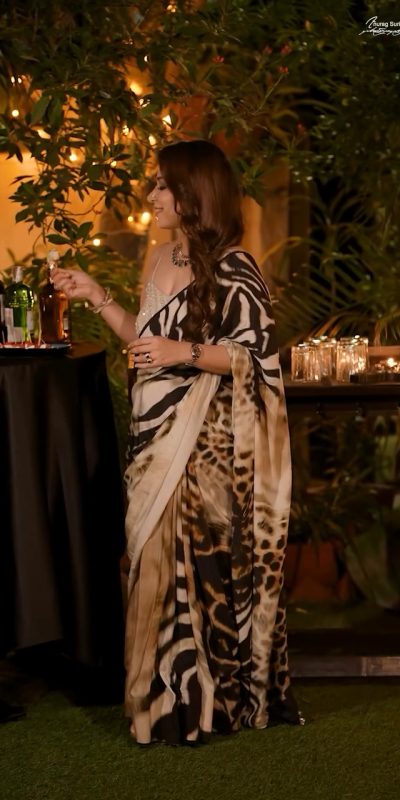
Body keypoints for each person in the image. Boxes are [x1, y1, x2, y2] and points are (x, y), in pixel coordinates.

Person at [53, 139, 302, 745]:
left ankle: (211, 704)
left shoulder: (236, 267)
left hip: (205, 445)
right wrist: (97, 296)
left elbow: (256, 358)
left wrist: (183, 352)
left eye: (163, 185)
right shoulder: (162, 257)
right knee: (153, 568)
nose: (152, 195)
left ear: (195, 194)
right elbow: (146, 341)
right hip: (153, 437)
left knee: (202, 572)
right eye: (155, 184)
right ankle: (161, 701)